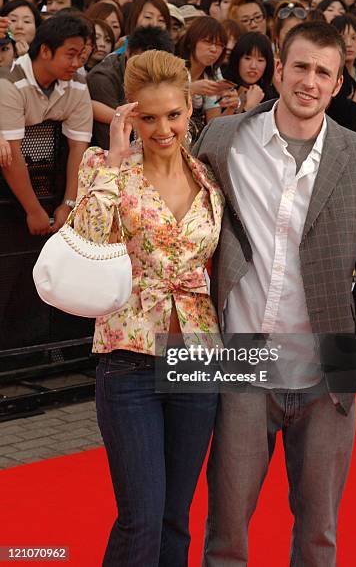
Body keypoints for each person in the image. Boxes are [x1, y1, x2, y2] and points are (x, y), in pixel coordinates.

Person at [193, 20, 356, 566]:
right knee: (226, 533)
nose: (310, 81)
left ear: (337, 84)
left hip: (323, 373)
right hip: (240, 365)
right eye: (301, 66)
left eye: (323, 72)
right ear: (280, 69)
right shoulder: (222, 139)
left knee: (318, 536)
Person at [74, 49, 224, 566]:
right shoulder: (107, 166)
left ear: (189, 108)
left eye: (174, 114)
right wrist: (113, 166)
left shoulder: (208, 177)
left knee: (175, 518)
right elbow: (85, 242)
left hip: (199, 361)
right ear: (130, 115)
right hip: (129, 359)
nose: (163, 129)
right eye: (149, 116)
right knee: (141, 516)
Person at [0, 14, 93, 235]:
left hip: (50, 184)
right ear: (45, 51)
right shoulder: (9, 82)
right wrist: (33, 210)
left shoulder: (77, 84)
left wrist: (69, 203)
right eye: (70, 55)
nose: (77, 64)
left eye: (81, 56)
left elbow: (79, 147)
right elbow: (10, 154)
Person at [88, 25, 174, 149]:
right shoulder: (103, 79)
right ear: (127, 51)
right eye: (141, 61)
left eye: (154, 65)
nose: (147, 70)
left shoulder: (164, 76)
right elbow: (110, 143)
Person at [223, 31, 276, 110]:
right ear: (237, 59)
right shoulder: (223, 87)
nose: (253, 66)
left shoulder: (270, 95)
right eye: (247, 58)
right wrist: (249, 107)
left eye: (260, 60)